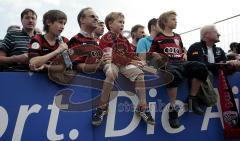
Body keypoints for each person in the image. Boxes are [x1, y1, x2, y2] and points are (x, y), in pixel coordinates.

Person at [92, 12, 155, 126]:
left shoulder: (124, 39)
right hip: (111, 63)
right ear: (110, 24)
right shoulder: (106, 37)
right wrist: (132, 61)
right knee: (111, 73)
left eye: (123, 22)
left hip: (124, 65)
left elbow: (130, 54)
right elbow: (112, 56)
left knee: (140, 74)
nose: (122, 25)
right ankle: (102, 107)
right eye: (120, 22)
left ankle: (143, 107)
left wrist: (140, 61)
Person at [149, 11, 208, 128]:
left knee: (201, 67)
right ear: (165, 22)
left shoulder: (177, 36)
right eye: (173, 19)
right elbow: (151, 54)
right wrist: (155, 55)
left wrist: (184, 55)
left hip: (181, 63)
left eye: (176, 19)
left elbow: (181, 51)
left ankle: (192, 98)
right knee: (173, 74)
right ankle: (173, 110)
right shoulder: (158, 38)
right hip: (168, 64)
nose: (176, 21)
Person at [68, 7, 102, 73]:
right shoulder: (76, 39)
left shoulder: (99, 42)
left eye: (97, 17)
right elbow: (76, 66)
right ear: (82, 19)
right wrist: (98, 65)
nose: (96, 19)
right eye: (92, 16)